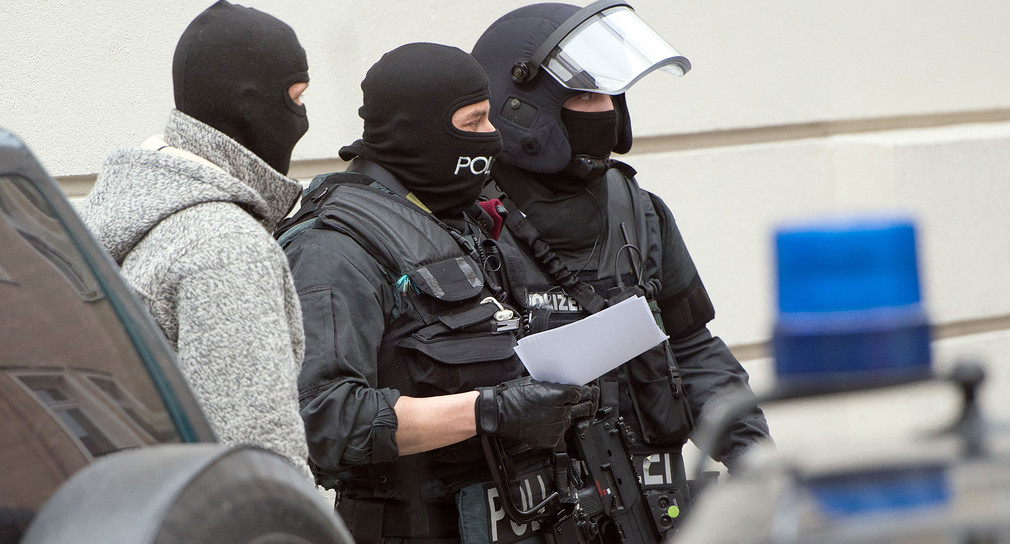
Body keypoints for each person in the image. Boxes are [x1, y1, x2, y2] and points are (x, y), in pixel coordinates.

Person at [471, 0, 773, 533]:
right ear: (522, 109)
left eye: (610, 94)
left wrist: (754, 459)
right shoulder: (466, 220)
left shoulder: (641, 211)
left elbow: (693, 347)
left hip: (646, 508)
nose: (604, 110)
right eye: (584, 94)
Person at [280, 42, 597, 543]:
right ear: (414, 133)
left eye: (489, 118)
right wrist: (489, 411)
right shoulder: (334, 248)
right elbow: (325, 418)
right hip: (409, 525)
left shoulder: (463, 219)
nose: (491, 137)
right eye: (472, 124)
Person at [80, 0, 312, 478]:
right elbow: (259, 460)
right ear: (250, 103)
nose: (304, 118)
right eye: (298, 96)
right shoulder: (226, 247)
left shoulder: (126, 213)